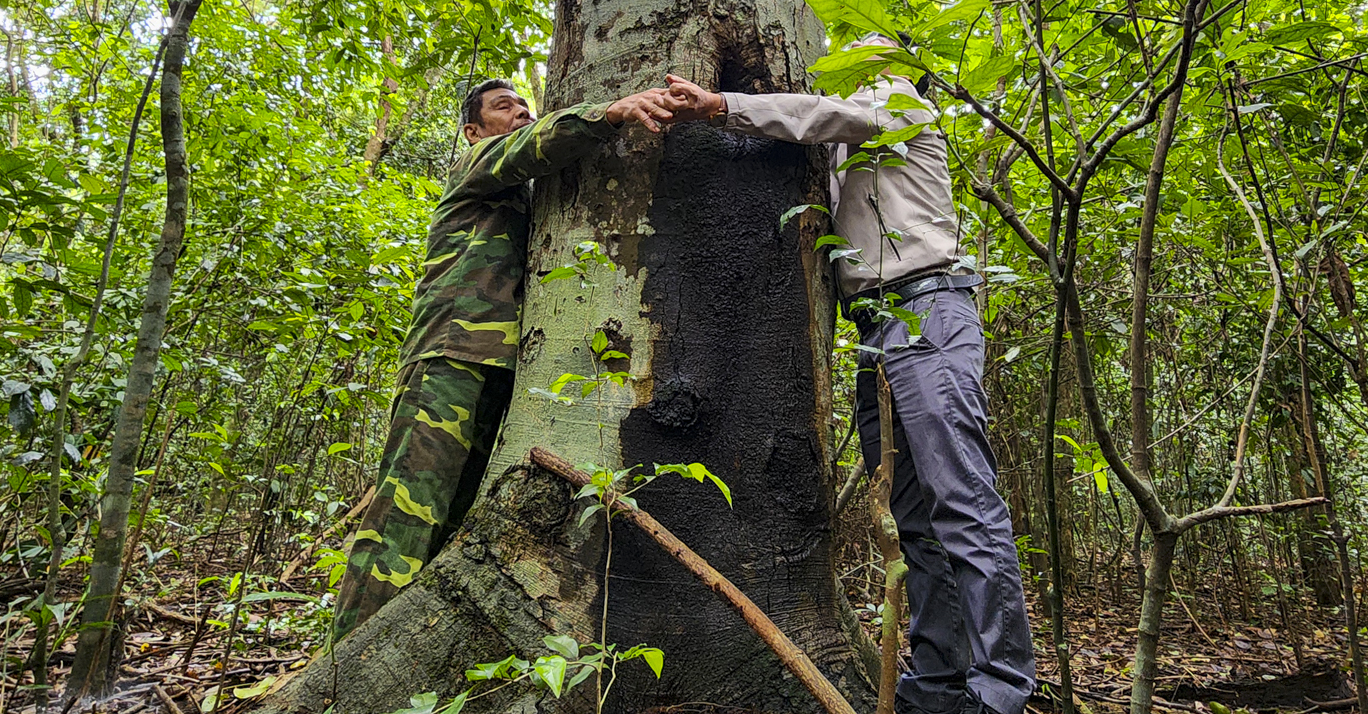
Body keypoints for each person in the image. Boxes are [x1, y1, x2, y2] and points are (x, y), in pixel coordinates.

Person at [661, 49, 1036, 714]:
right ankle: (939, 684)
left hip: (926, 309)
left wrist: (724, 106)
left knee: (964, 500)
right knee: (914, 517)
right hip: (876, 330)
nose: (851, 73)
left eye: (867, 63)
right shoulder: (847, 149)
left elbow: (824, 113)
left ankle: (1000, 688)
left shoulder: (898, 105)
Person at [329, 78, 676, 642]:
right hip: (448, 358)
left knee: (454, 527)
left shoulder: (522, 200)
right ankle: (344, 667)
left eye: (524, 105)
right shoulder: (478, 163)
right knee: (403, 522)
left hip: (499, 368)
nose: (519, 113)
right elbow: (529, 146)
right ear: (473, 129)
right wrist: (609, 114)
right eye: (503, 106)